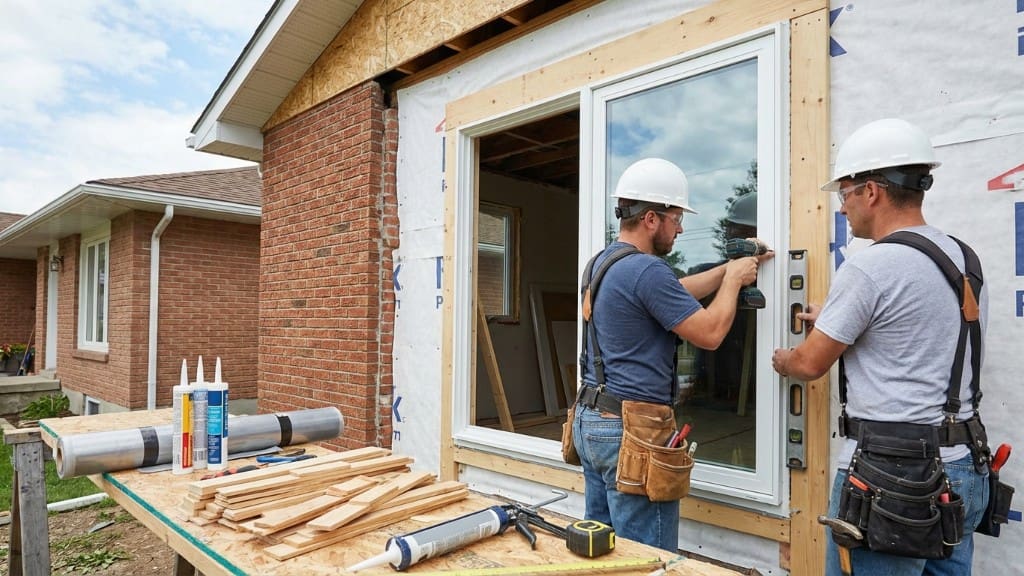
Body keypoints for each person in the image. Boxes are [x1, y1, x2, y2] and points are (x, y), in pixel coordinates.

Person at [770, 118, 990, 575]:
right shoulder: (962, 257)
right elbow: (914, 327)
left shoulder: (871, 266)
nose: (844, 208)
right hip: (964, 467)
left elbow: (810, 364)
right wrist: (834, 317)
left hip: (891, 481)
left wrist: (784, 359)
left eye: (845, 194)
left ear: (871, 191)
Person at [573, 157, 772, 550]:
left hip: (591, 421)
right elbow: (711, 334)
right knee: (649, 556)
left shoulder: (602, 263)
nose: (681, 228)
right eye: (676, 218)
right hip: (633, 433)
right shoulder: (647, 270)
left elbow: (674, 293)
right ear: (651, 218)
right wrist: (732, 282)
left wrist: (727, 268)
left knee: (605, 550)